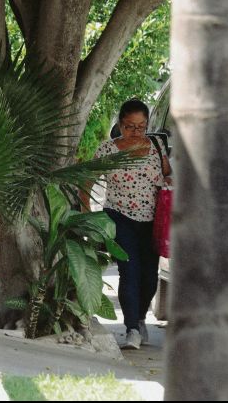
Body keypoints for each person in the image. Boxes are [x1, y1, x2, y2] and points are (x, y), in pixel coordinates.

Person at [83, 98, 172, 349]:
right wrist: (88, 214)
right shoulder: (107, 150)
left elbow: (167, 174)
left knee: (150, 279)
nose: (136, 132)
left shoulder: (156, 146)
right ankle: (132, 328)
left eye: (141, 126)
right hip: (119, 217)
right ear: (120, 125)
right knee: (129, 272)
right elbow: (86, 183)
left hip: (152, 221)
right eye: (130, 127)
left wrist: (169, 184)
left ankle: (141, 318)